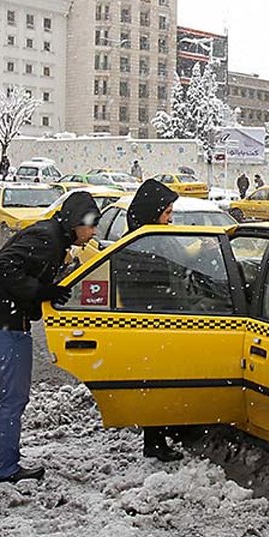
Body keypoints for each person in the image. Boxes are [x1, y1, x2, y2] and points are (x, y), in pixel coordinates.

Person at [0, 191, 101, 484]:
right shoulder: (47, 238)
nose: (93, 233)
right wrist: (42, 291)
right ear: (73, 222)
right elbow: (1, 270)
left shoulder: (52, 236)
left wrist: (52, 281)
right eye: (90, 225)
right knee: (12, 397)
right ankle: (3, 468)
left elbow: (21, 269)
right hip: (1, 324)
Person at [124, 180, 185, 462]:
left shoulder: (146, 238)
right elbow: (151, 288)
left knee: (160, 383)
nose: (170, 219)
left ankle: (162, 432)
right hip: (154, 325)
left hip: (157, 323)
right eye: (167, 213)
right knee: (157, 384)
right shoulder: (144, 245)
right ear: (153, 212)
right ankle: (155, 441)